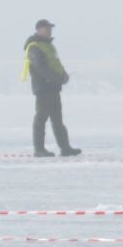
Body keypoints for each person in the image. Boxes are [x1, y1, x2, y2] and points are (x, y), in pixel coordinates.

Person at [21, 19, 80, 157]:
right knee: (41, 118)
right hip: (43, 89)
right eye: (46, 29)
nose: (49, 31)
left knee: (57, 120)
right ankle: (39, 149)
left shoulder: (49, 46)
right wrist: (57, 77)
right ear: (38, 30)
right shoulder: (34, 46)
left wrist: (63, 75)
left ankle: (65, 148)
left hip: (54, 88)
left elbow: (55, 63)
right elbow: (40, 68)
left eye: (50, 29)